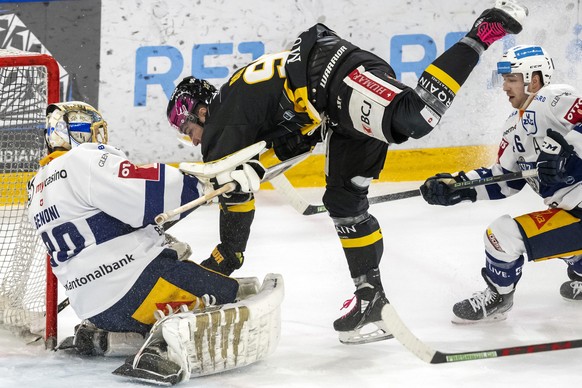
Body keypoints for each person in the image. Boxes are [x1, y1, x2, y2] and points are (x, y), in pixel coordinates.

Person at [166, 1, 528, 343]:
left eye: (187, 129)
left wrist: (224, 258)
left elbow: (232, 192)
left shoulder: (220, 122)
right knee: (343, 200)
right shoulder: (238, 111)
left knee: (414, 117)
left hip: (330, 76)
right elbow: (293, 144)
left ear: (199, 111)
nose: (194, 140)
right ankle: (370, 299)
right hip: (333, 109)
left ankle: (481, 33)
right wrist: (261, 165)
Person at [27, 101, 263, 354]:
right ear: (79, 131)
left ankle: (111, 339)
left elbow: (107, 223)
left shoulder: (36, 186)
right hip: (136, 291)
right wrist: (211, 183)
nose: (99, 136)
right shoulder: (81, 161)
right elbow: (148, 195)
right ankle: (167, 342)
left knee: (175, 257)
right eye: (95, 130)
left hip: (95, 310)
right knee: (236, 295)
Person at [419, 44, 582, 324]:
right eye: (505, 80)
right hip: (572, 213)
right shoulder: (512, 127)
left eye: (511, 79)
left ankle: (499, 297)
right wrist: (458, 187)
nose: (505, 87)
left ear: (534, 78)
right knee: (539, 233)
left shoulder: (555, 99)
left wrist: (568, 151)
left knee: (502, 235)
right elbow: (504, 181)